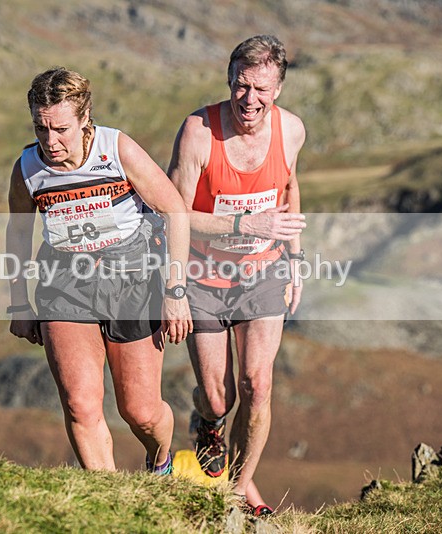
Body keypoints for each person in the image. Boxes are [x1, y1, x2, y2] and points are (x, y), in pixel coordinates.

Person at [6, 68, 193, 473]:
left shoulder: (116, 148)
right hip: (64, 284)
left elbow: (174, 209)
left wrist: (177, 291)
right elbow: (18, 231)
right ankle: (107, 499)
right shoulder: (27, 168)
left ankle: (160, 461)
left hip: (133, 280)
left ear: (84, 117)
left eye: (60, 129)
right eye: (41, 129)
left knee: (140, 411)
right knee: (80, 404)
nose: (50, 142)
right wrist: (19, 301)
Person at [168, 35, 306, 515]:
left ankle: (238, 492)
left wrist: (294, 260)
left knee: (257, 383)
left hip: (262, 273)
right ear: (229, 80)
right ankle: (206, 421)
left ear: (279, 89)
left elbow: (288, 186)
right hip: (203, 276)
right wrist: (246, 223)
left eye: (262, 89)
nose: (250, 100)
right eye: (241, 86)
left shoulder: (291, 131)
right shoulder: (198, 132)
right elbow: (173, 213)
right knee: (218, 394)